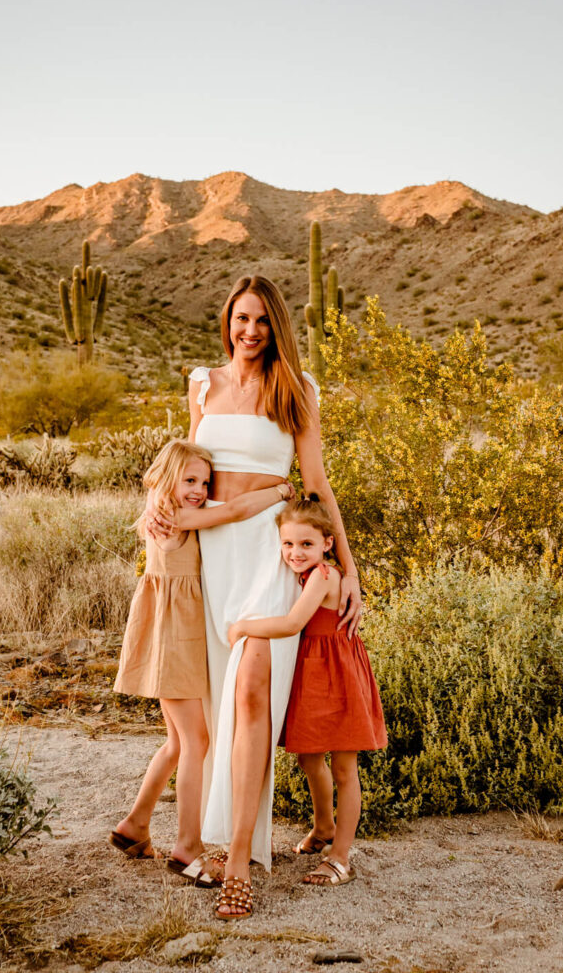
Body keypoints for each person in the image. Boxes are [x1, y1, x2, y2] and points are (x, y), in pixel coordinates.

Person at [147, 274, 362, 920]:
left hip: (270, 554)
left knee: (250, 696)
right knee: (219, 707)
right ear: (227, 321)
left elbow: (316, 483)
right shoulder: (202, 385)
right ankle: (215, 842)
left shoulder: (297, 388)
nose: (250, 331)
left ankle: (239, 863)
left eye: (263, 320)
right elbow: (183, 468)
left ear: (277, 327)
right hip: (211, 558)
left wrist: (347, 569)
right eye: (242, 318)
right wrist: (154, 511)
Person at [111, 439, 293, 888]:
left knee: (177, 741)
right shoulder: (175, 516)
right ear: (166, 478)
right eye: (189, 480)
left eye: (205, 483)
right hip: (174, 637)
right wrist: (280, 492)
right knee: (198, 741)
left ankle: (134, 825)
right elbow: (234, 511)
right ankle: (187, 847)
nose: (199, 490)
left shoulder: (160, 508)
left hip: (168, 633)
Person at [228, 494, 387, 889]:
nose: (295, 552)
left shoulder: (325, 576)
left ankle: (341, 858)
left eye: (306, 544)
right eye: (287, 543)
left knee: (344, 767)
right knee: (308, 758)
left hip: (339, 674)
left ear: (327, 544)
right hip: (315, 673)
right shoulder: (303, 574)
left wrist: (242, 628)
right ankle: (323, 826)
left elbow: (292, 623)